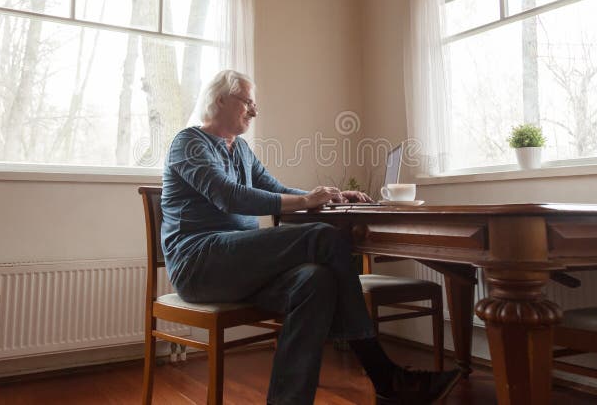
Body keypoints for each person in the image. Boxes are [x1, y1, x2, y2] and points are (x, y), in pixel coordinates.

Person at [161, 69, 461, 405]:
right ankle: (386, 376)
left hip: (242, 268)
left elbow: (277, 191)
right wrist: (306, 201)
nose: (255, 111)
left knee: (315, 281)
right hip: (200, 264)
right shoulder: (187, 143)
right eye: (247, 102)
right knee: (323, 237)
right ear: (220, 99)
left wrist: (328, 196)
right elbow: (227, 196)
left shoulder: (241, 150)